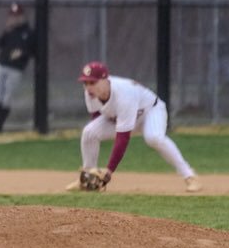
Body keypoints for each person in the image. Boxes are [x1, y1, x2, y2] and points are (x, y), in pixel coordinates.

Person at [67, 61, 202, 192]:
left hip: (150, 112)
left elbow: (123, 138)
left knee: (154, 137)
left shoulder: (123, 94)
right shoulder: (90, 94)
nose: (88, 87)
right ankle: (86, 179)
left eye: (92, 82)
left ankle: (189, 176)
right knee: (89, 132)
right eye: (85, 82)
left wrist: (109, 171)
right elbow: (96, 118)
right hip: (122, 116)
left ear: (105, 80)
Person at [0, 2, 35, 133]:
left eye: (17, 15)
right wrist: (6, 30)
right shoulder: (10, 30)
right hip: (2, 65)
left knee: (7, 97)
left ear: (22, 16)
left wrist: (22, 53)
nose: (14, 18)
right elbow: (0, 43)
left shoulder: (28, 32)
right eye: (12, 15)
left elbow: (32, 50)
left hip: (15, 68)